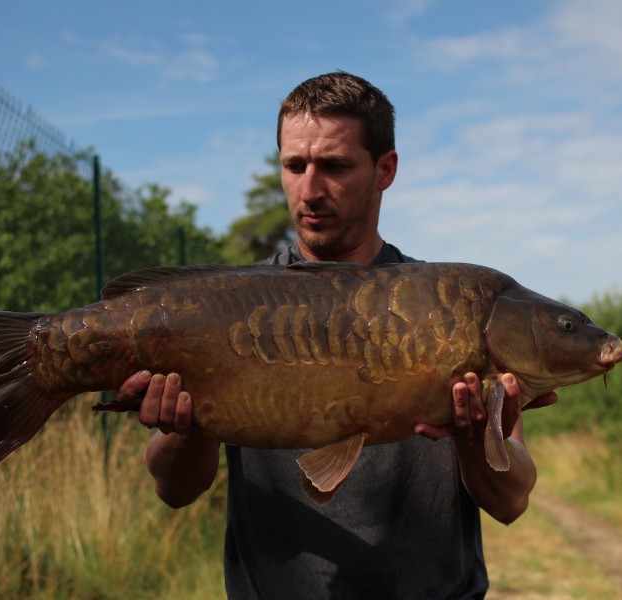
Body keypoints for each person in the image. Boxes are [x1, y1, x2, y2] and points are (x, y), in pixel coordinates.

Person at [118, 71, 557, 599]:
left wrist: (474, 438)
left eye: (334, 166)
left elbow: (511, 502)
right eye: (294, 166)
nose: (310, 190)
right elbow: (174, 489)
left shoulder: (453, 310)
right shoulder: (233, 306)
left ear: (385, 169)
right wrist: (187, 428)